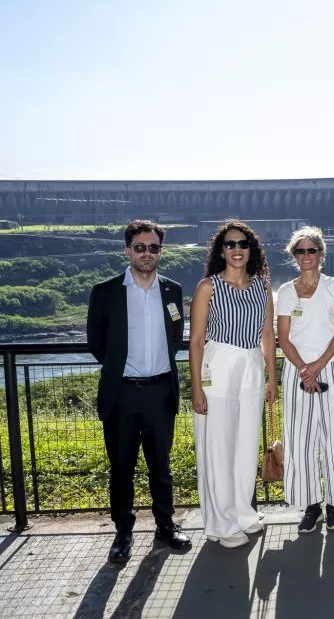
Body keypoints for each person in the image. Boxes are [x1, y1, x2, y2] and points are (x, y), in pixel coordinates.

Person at [87, 220, 191, 564]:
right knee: (122, 467)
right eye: (140, 247)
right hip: (122, 394)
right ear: (127, 251)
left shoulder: (172, 290)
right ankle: (123, 533)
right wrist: (122, 367)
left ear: (161, 251)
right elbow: (96, 342)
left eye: (153, 247)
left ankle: (165, 526)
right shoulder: (106, 291)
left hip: (160, 391)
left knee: (161, 465)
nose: (147, 253)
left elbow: (176, 336)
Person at [189, 220, 277, 548]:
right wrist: (196, 387)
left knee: (246, 444)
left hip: (252, 365)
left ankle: (243, 513)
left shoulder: (262, 287)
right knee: (218, 446)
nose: (237, 249)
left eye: (243, 244)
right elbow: (196, 340)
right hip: (219, 365)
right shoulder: (207, 287)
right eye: (230, 244)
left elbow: (267, 335)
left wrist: (271, 378)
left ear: (251, 249)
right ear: (221, 250)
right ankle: (222, 524)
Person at [275, 227, 334, 534]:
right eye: (300, 251)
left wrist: (316, 367)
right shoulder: (285, 291)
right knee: (300, 440)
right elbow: (283, 338)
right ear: (294, 255)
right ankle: (311, 505)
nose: (306, 256)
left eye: (311, 250)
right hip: (297, 370)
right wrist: (305, 369)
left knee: (333, 438)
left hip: (331, 367)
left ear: (321, 254)